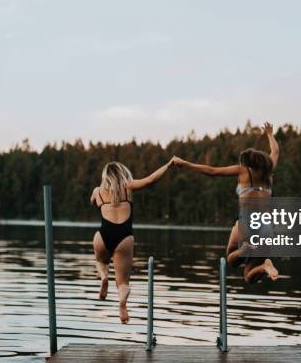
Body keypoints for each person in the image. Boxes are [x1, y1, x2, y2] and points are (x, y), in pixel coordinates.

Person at [174, 122, 280, 283]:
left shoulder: (243, 171)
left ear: (246, 163)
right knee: (249, 276)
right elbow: (276, 151)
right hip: (266, 228)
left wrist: (186, 164)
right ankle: (265, 266)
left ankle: (245, 249)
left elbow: (212, 171)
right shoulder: (269, 173)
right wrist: (270, 134)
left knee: (231, 258)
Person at [90, 159, 174, 323]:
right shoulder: (128, 186)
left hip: (103, 235)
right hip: (124, 237)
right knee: (123, 283)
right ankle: (122, 303)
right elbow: (151, 179)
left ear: (105, 176)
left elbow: (92, 202)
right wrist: (168, 165)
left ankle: (103, 277)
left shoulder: (98, 191)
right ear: (121, 173)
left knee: (101, 261)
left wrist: (99, 198)